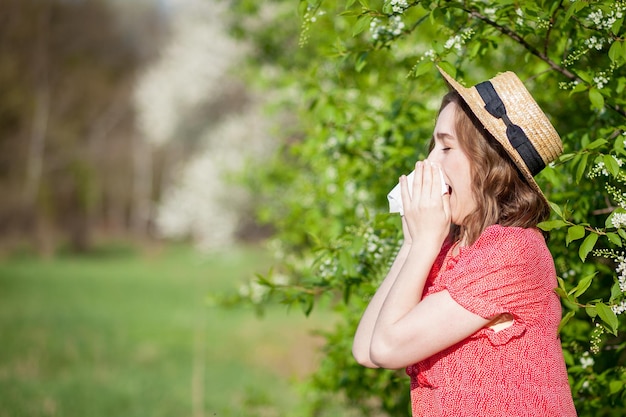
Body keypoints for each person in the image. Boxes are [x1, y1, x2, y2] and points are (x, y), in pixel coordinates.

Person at [352, 67, 577, 417]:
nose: (429, 162)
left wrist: (424, 242)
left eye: (446, 146)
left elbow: (386, 347)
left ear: (488, 164)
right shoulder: (454, 249)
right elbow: (366, 351)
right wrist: (413, 244)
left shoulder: (512, 252)